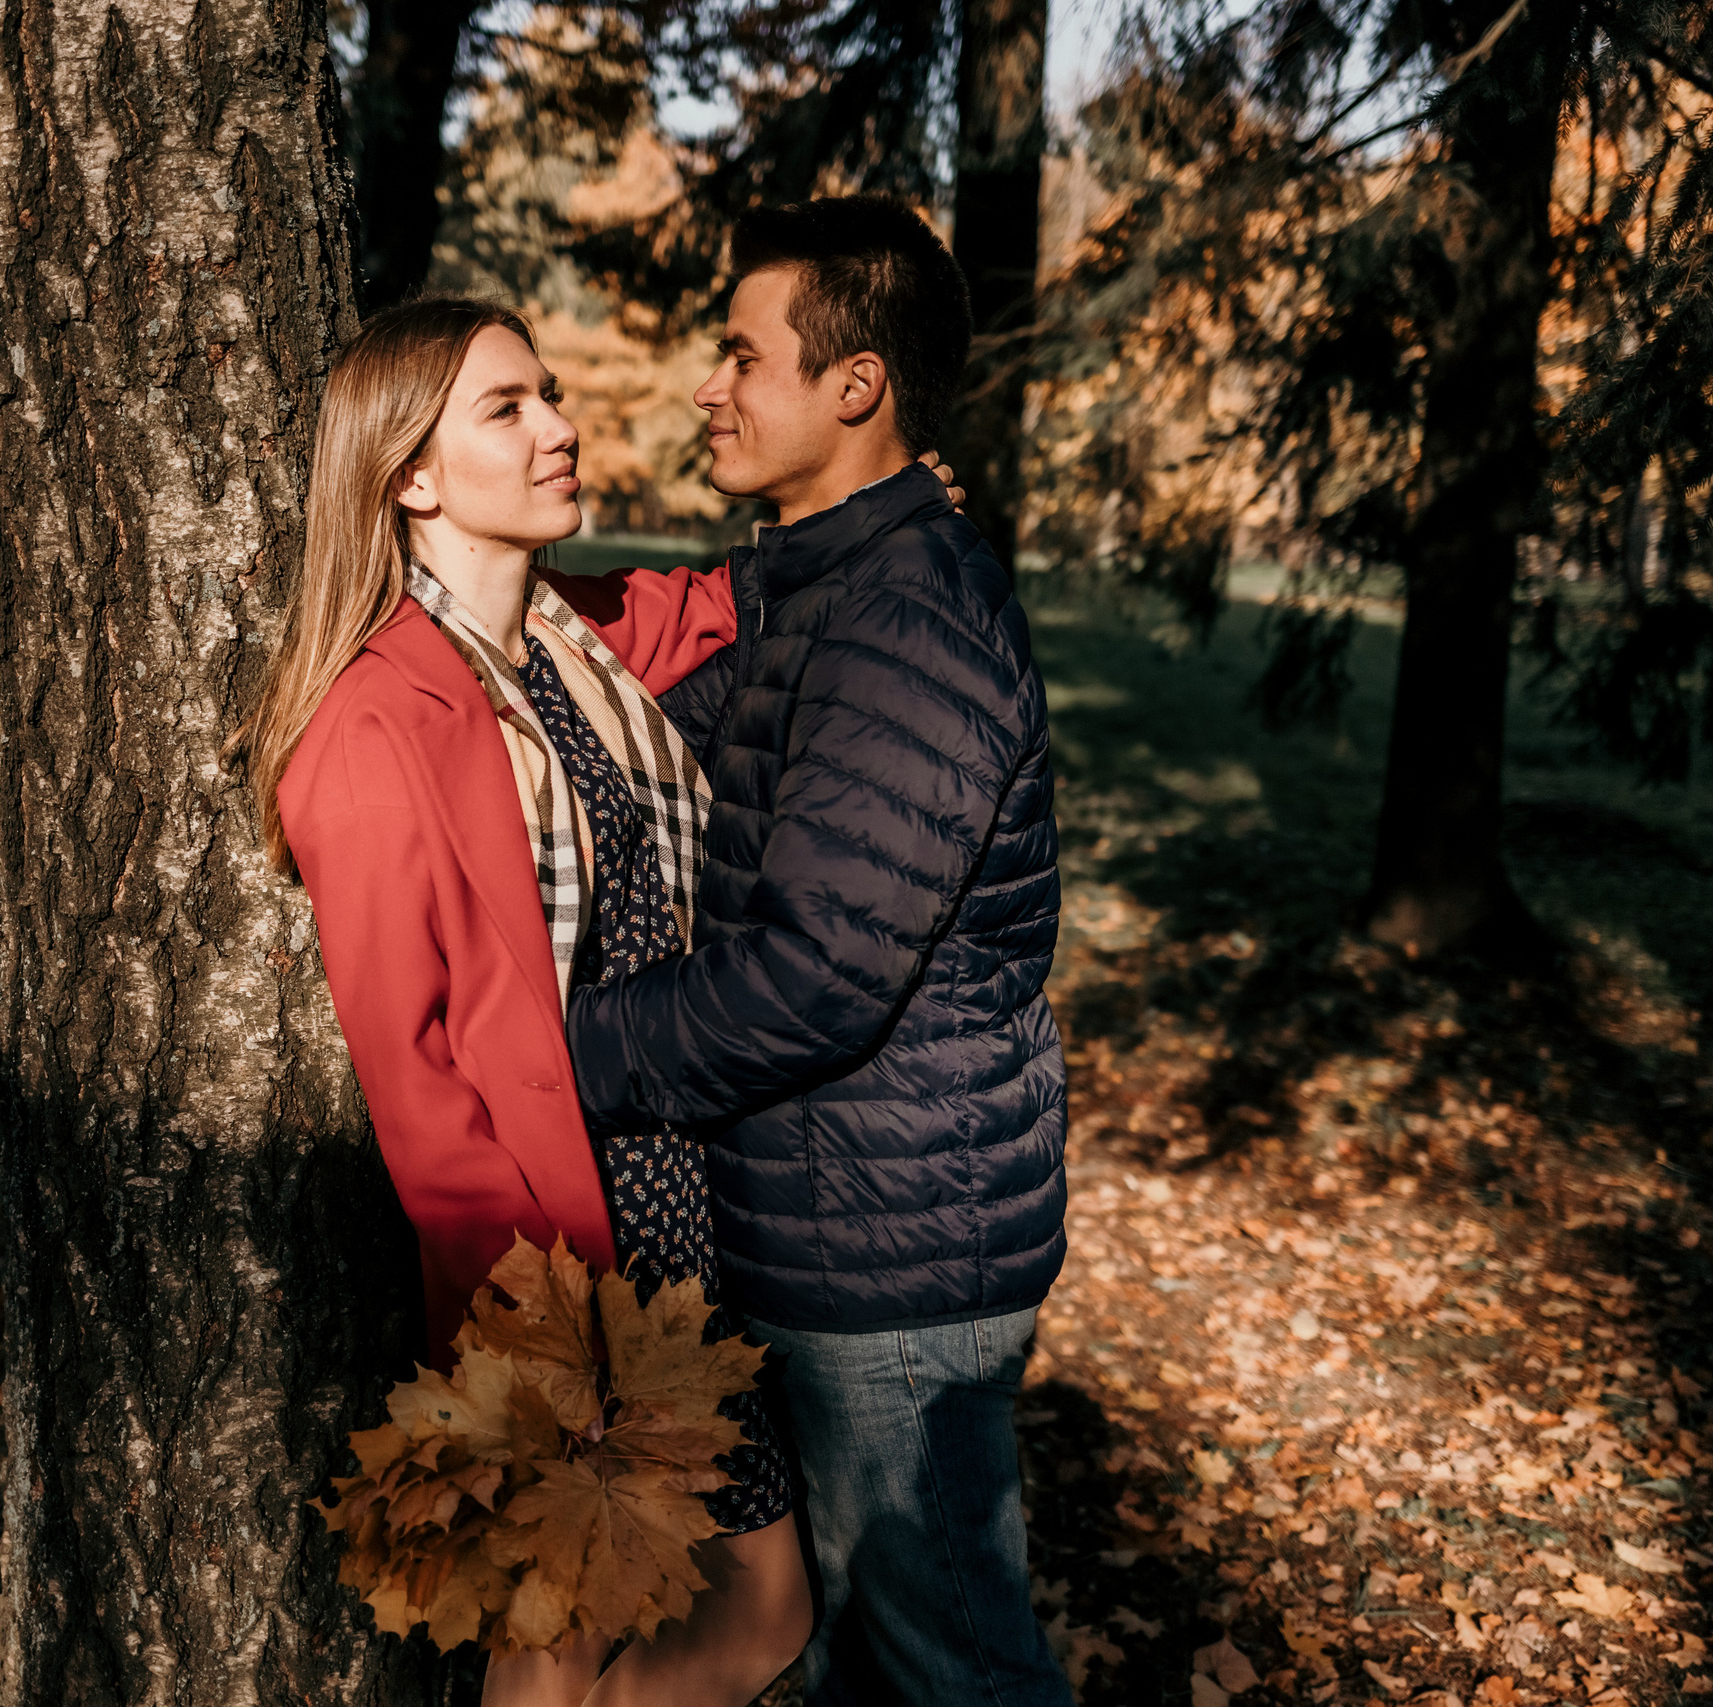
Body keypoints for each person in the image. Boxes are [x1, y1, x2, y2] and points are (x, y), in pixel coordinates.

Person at [244, 297, 808, 1707]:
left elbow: (693, 607)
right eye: (509, 408)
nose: (560, 426)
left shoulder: (571, 651)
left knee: (754, 1604)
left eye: (549, 394)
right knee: (561, 1642)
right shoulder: (368, 728)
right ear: (413, 478)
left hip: (679, 1203)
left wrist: (866, 519)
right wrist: (535, 1330)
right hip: (555, 1254)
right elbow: (419, 1093)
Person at [555, 197, 1074, 1706]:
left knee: (951, 1669)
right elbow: (653, 760)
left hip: (895, 1257)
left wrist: (560, 1053)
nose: (708, 387)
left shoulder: (905, 622)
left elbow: (814, 977)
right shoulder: (816, 594)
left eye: (742, 354)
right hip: (829, 1217)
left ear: (856, 387)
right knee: (859, 1663)